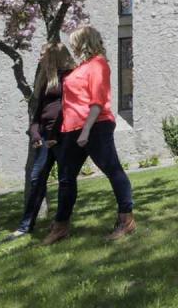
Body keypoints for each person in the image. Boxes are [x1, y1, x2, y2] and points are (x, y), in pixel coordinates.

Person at [42, 26, 137, 245]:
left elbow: (97, 101)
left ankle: (126, 219)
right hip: (70, 130)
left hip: (95, 127)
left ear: (85, 42)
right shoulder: (81, 67)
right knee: (66, 179)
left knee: (112, 170)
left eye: (75, 42)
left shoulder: (98, 64)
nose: (72, 46)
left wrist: (86, 131)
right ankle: (61, 227)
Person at [1, 43, 77, 243]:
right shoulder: (46, 80)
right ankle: (25, 226)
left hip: (63, 135)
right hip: (45, 137)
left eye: (42, 54)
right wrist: (35, 133)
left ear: (54, 56)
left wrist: (54, 135)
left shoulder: (70, 77)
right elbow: (38, 112)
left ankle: (62, 223)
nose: (39, 57)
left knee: (65, 179)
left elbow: (69, 107)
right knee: (36, 179)